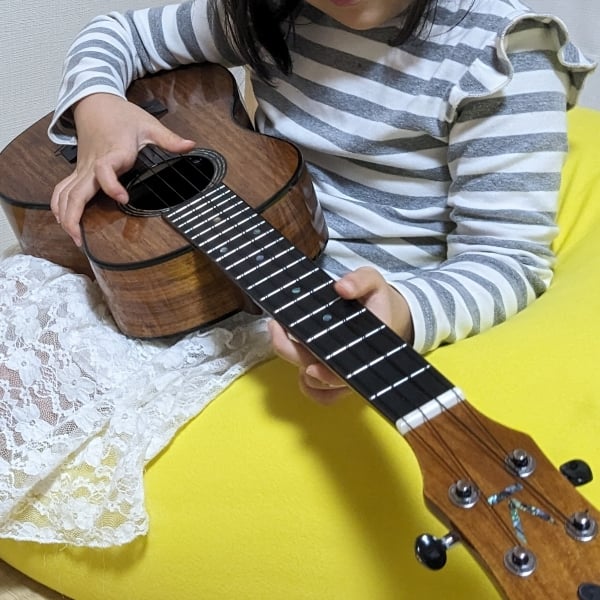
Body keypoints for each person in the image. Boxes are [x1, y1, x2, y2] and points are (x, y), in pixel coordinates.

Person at [48, 0, 594, 403]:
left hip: (352, 314)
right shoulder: (268, 12)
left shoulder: (505, 54)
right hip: (232, 273)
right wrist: (98, 105)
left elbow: (507, 260)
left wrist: (403, 312)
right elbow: (117, 33)